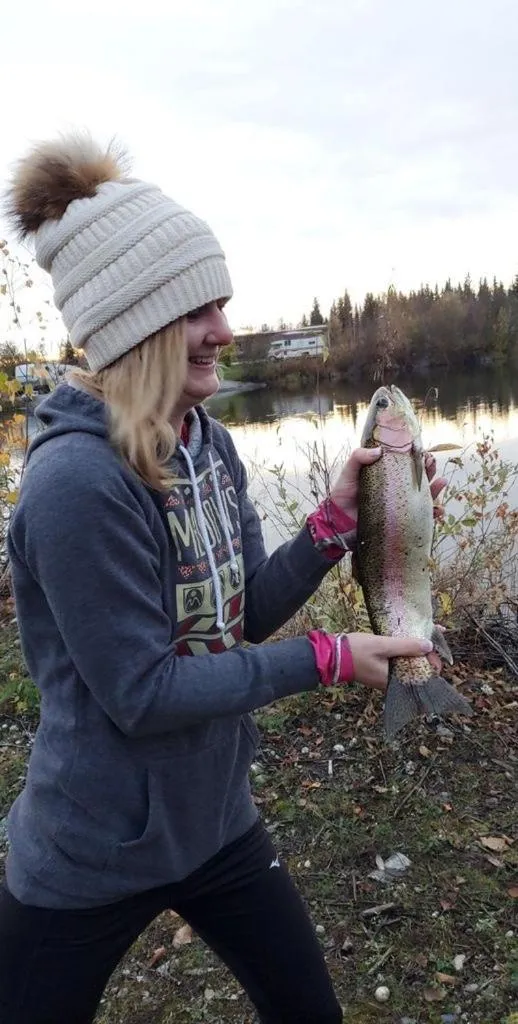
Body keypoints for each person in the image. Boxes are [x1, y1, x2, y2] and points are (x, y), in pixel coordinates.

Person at [0, 134, 445, 1024]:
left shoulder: (209, 443)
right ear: (138, 324)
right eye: (199, 307)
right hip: (92, 848)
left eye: (224, 302)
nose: (226, 330)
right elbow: (142, 692)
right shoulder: (75, 485)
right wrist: (321, 659)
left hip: (214, 822)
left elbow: (240, 619)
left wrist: (334, 529)